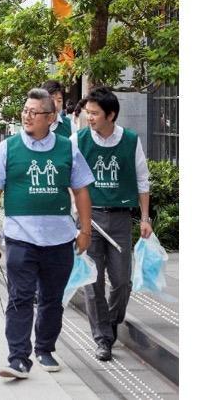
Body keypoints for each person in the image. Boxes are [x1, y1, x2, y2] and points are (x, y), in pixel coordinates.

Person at [0, 88, 94, 379]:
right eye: (25, 111)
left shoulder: (68, 148)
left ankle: (45, 348)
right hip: (20, 238)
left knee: (52, 300)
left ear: (51, 117)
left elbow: (81, 190)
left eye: (34, 112)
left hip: (60, 239)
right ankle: (18, 357)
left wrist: (85, 230)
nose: (27, 117)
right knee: (19, 297)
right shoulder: (7, 148)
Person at [76, 87, 153, 362]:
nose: (90, 118)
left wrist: (145, 219)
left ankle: (110, 322)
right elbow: (69, 179)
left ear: (111, 114)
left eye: (95, 113)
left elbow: (143, 180)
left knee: (122, 281)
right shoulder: (79, 139)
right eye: (88, 113)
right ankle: (103, 338)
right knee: (93, 281)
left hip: (120, 218)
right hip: (90, 218)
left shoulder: (131, 141)